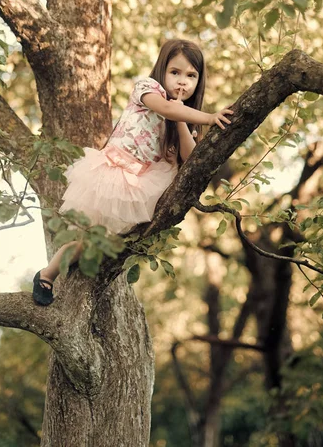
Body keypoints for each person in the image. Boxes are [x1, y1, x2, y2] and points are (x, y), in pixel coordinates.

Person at [32, 39, 233, 305]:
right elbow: (166, 108)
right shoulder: (147, 89)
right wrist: (207, 116)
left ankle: (90, 260)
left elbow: (191, 157)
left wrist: (185, 118)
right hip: (112, 172)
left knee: (109, 240)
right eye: (175, 72)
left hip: (142, 181)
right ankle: (47, 274)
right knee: (87, 236)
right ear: (162, 69)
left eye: (191, 76)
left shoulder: (184, 117)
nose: (182, 81)